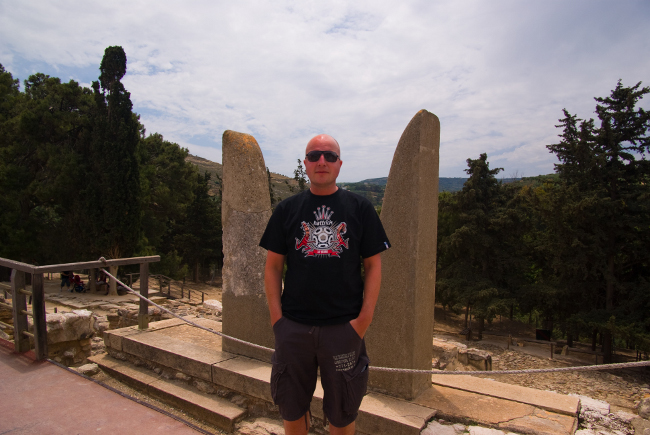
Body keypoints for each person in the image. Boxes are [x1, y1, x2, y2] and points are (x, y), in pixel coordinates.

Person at [259, 134, 390, 435]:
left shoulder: (360, 209)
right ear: (305, 163)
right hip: (293, 328)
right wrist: (277, 321)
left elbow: (373, 265)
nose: (322, 161)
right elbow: (273, 267)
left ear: (339, 164)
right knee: (292, 411)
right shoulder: (286, 211)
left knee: (342, 415)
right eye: (315, 155)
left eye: (329, 156)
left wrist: (363, 321)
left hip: (344, 330)